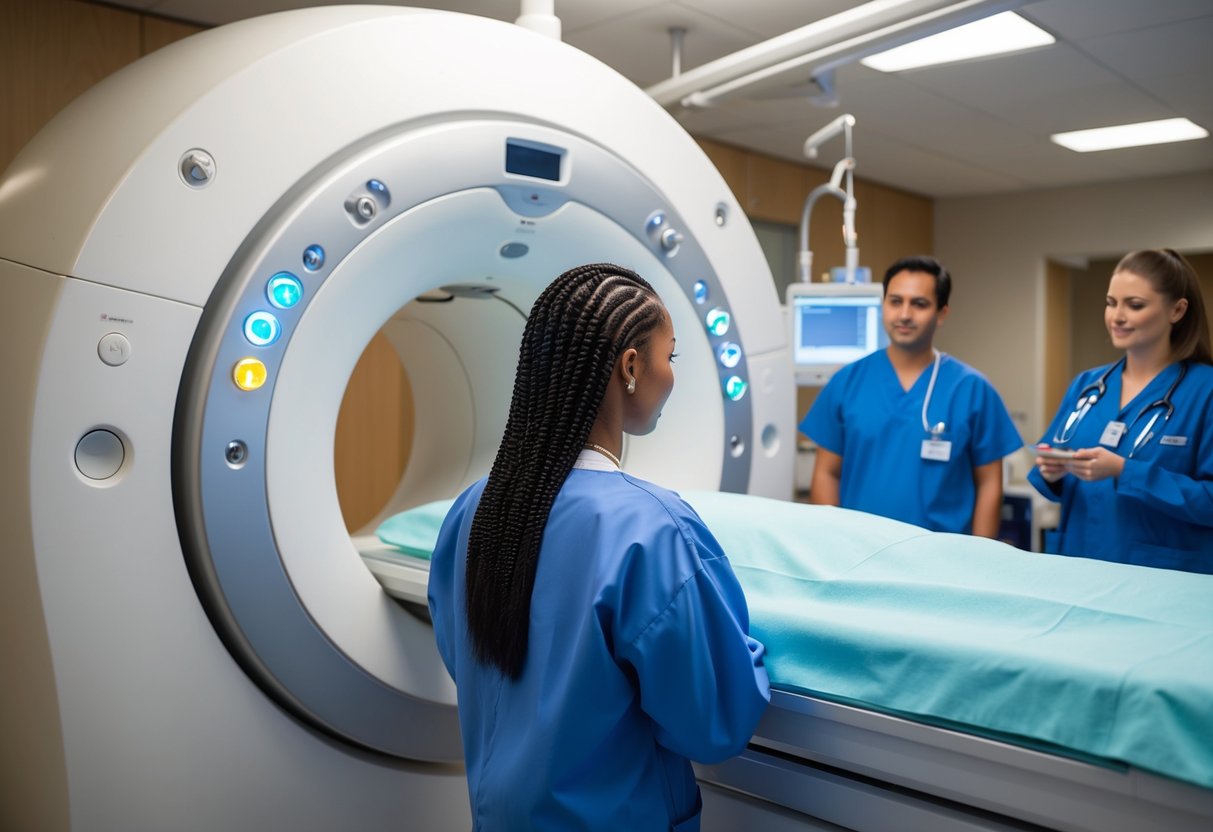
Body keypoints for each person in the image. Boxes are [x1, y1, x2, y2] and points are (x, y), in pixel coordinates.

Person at [427, 263, 770, 831]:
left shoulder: (473, 509)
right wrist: (745, 648)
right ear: (631, 367)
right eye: (671, 357)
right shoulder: (652, 530)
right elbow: (714, 724)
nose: (671, 374)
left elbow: (469, 658)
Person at [801, 255, 1022, 536]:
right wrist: (832, 542)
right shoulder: (847, 382)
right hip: (860, 552)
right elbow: (826, 473)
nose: (904, 314)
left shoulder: (972, 389)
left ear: (941, 313)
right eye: (895, 301)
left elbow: (990, 483)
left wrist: (979, 559)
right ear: (883, 305)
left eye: (919, 304)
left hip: (941, 558)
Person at [1030, 249, 1213, 573]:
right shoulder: (1088, 385)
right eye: (1111, 303)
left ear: (1177, 310)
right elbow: (1052, 472)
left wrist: (1125, 472)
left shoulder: (1204, 391)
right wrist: (1052, 470)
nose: (1117, 316)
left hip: (1160, 576)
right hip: (1078, 565)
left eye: (1135, 305)